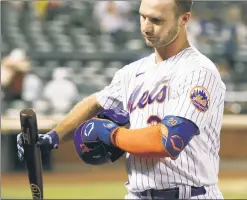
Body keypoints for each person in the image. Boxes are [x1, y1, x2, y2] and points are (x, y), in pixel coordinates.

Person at [17, 0, 226, 199]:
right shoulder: (132, 72)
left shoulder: (198, 71)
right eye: (142, 17)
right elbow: (95, 102)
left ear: (184, 19)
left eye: (156, 20)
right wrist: (53, 137)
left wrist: (113, 135)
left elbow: (169, 141)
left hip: (191, 194)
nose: (146, 27)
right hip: (136, 194)